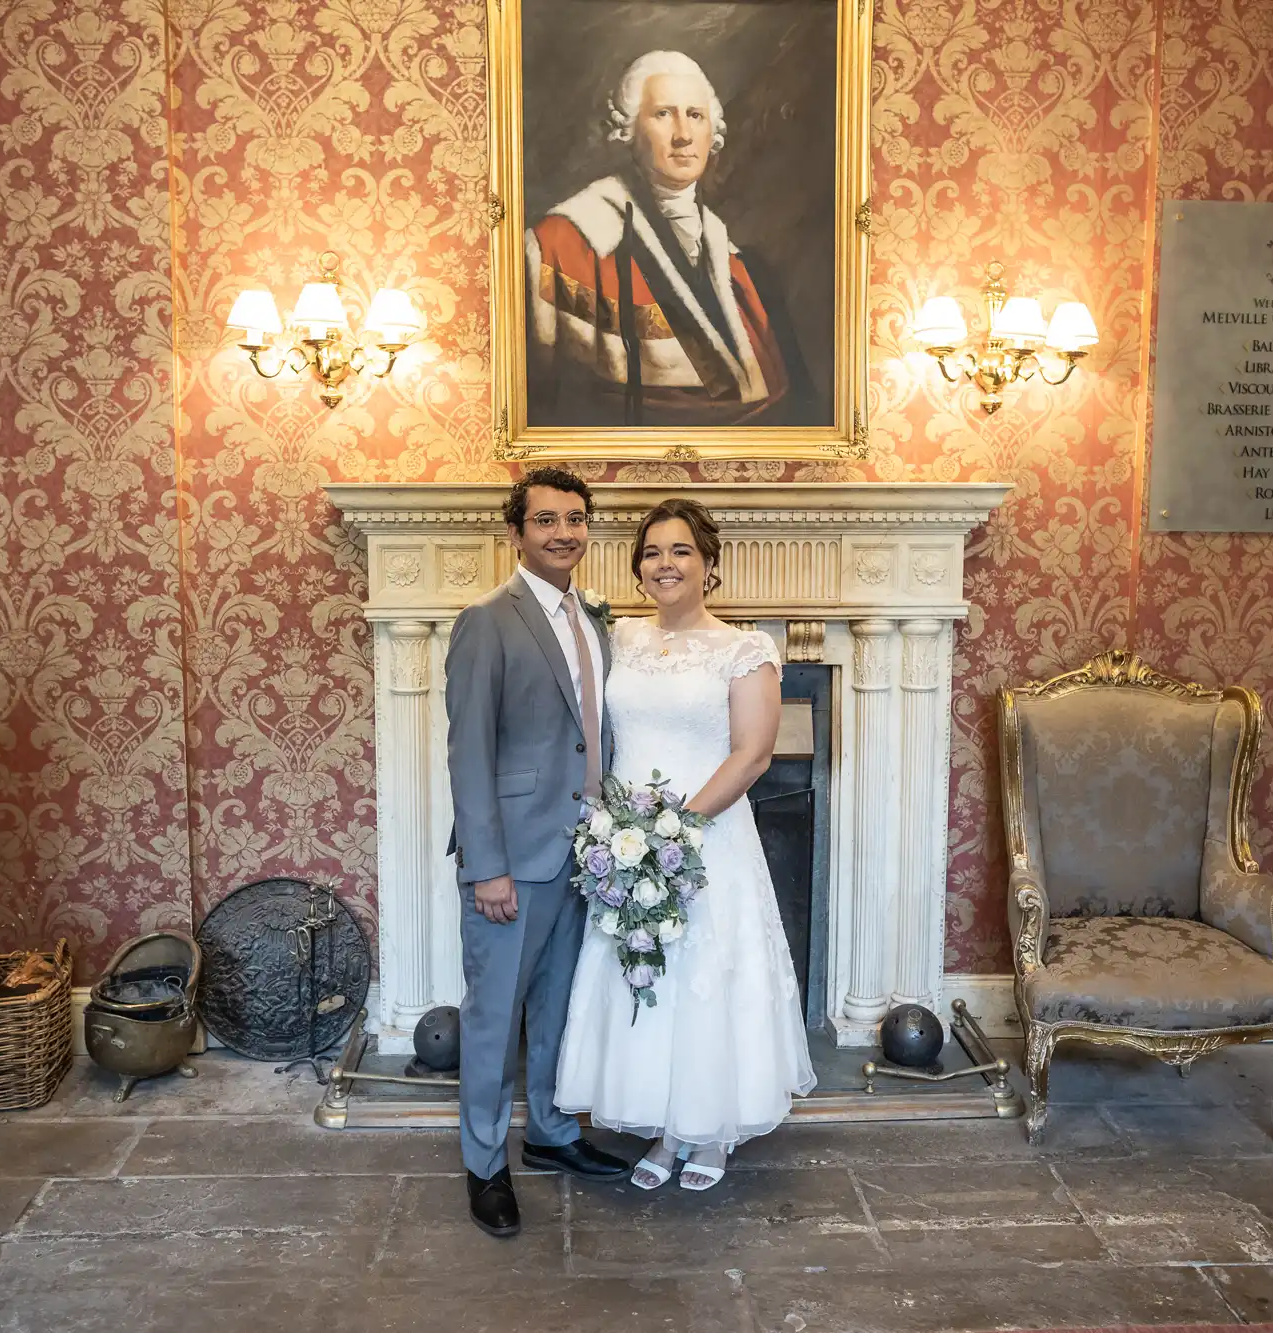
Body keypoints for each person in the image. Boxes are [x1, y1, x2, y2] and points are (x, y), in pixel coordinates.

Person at [555, 497, 817, 1189]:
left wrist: (674, 830)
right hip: (625, 840)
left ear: (709, 564)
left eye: (679, 551)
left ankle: (707, 1133)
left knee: (705, 979)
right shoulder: (620, 639)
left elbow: (753, 754)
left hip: (709, 840)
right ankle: (663, 1131)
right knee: (645, 974)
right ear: (638, 569)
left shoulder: (744, 649)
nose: (663, 564)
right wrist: (620, 833)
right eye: (651, 552)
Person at [444, 467, 633, 1237]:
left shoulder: (594, 617)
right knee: (495, 1018)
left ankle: (552, 1134)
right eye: (547, 519)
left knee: (557, 1006)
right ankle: (485, 1163)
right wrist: (485, 865)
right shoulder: (487, 619)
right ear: (516, 531)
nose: (564, 532)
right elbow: (469, 750)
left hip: (585, 853)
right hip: (513, 861)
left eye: (577, 519)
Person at [525, 50, 821, 427]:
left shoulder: (747, 269)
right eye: (663, 114)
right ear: (629, 129)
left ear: (713, 133)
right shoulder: (563, 245)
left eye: (695, 116)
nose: (683, 135)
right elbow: (541, 401)